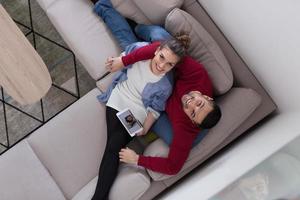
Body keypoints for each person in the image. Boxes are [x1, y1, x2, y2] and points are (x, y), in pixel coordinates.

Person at [91, 1, 191, 199]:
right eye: (162, 58)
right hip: (118, 99)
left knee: (114, 145)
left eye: (169, 64)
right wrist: (116, 62)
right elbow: (126, 55)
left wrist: (146, 127)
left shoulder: (165, 86)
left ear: (174, 67)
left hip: (135, 115)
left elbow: (155, 108)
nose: (162, 65)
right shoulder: (141, 49)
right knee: (114, 146)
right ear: (156, 50)